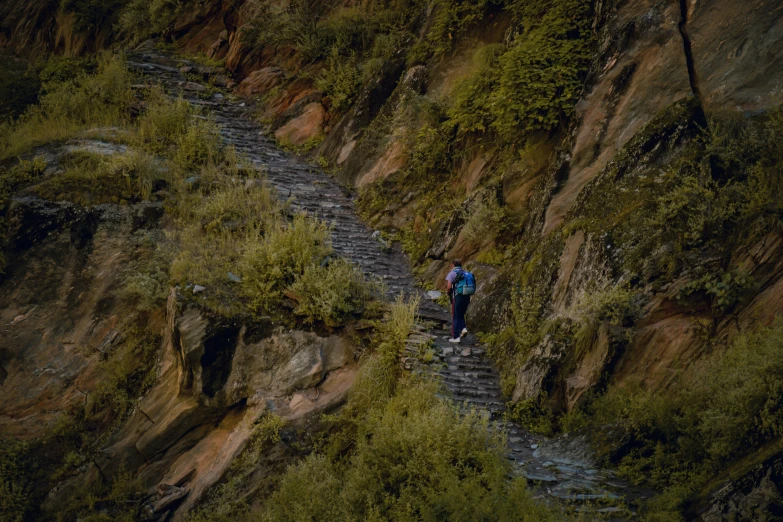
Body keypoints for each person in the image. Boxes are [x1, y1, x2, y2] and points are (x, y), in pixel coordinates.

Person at [445, 260, 470, 343]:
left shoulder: (452, 273)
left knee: (455, 316)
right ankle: (463, 328)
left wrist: (448, 293)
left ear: (453, 265)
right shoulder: (465, 273)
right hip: (467, 296)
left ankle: (456, 337)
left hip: (457, 296)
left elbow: (449, 287)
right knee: (460, 314)